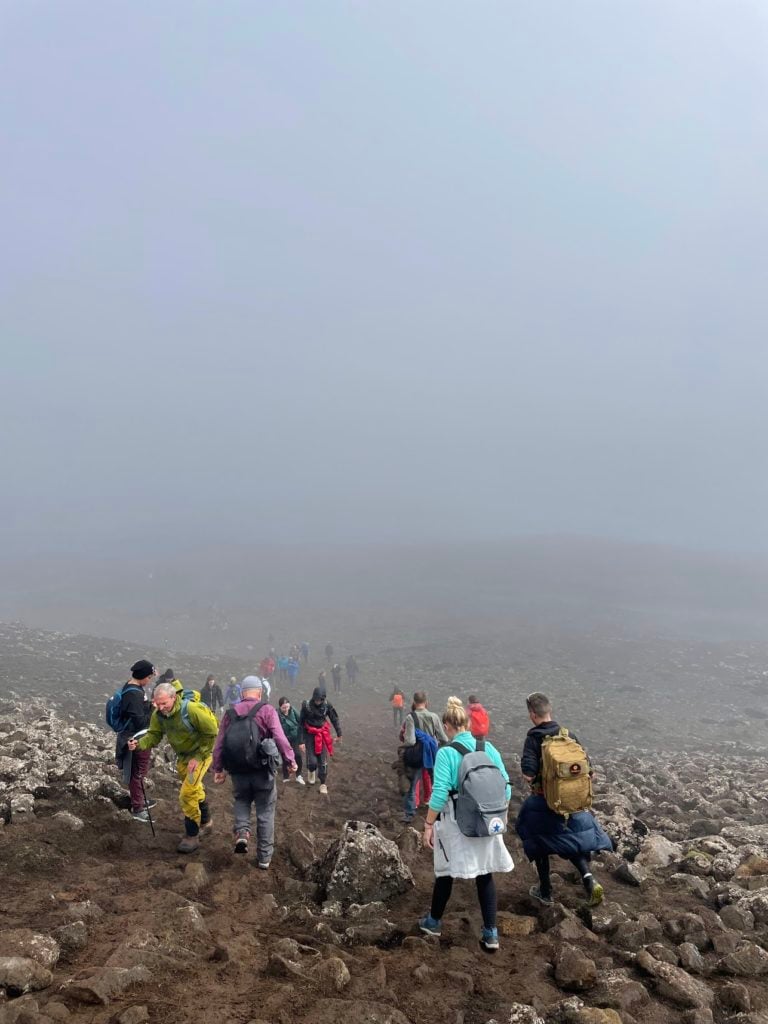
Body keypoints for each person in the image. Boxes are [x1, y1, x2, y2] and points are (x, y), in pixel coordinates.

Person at [418, 697, 513, 952]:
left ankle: (433, 922)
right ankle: (491, 934)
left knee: (446, 873)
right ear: (467, 723)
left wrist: (428, 824)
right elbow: (506, 786)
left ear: (448, 725)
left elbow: (439, 793)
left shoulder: (447, 753)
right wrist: (495, 814)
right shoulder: (488, 748)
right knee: (485, 874)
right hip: (486, 820)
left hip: (456, 823)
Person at [212, 678, 297, 867]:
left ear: (242, 693)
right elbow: (280, 738)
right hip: (262, 772)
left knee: (241, 801)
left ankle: (242, 832)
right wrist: (291, 761)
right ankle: (264, 858)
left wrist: (218, 769)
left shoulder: (229, 714)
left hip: (238, 772)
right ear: (259, 692)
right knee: (265, 812)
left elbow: (219, 744)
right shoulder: (267, 710)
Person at [128, 681, 219, 853]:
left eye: (164, 703)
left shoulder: (191, 710)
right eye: (157, 703)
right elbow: (154, 736)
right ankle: (207, 822)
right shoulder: (159, 715)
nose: (161, 707)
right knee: (194, 789)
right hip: (183, 757)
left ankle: (192, 835)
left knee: (187, 793)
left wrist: (199, 756)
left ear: (174, 697)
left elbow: (212, 731)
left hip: (201, 755)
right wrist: (139, 744)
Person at [516, 794, 611, 907]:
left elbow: (529, 777)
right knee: (571, 839)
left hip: (545, 801)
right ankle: (590, 881)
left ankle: (545, 892)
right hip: (573, 802)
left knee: (537, 840)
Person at [115, 659, 158, 823]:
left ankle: (139, 800)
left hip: (134, 735)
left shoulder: (132, 688)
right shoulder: (134, 694)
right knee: (137, 772)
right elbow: (140, 721)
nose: (150, 680)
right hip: (136, 737)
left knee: (138, 771)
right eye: (149, 677)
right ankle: (138, 808)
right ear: (144, 676)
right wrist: (153, 707)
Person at [521, 692, 588, 790]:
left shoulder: (533, 739)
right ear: (549, 710)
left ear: (533, 715)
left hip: (548, 797)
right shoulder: (568, 735)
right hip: (575, 794)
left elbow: (528, 775)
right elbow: (589, 769)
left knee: (527, 806)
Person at [402, 691, 449, 824]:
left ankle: (409, 814)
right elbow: (443, 738)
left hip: (417, 755)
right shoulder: (434, 716)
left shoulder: (411, 717)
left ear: (414, 702)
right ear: (426, 702)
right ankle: (440, 810)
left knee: (412, 784)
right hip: (432, 753)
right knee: (437, 782)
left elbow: (410, 741)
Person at [299, 686, 342, 795]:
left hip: (322, 734)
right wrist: (301, 741)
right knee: (312, 761)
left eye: (320, 699)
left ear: (323, 699)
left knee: (322, 761)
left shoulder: (327, 705)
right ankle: (311, 770)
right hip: (309, 734)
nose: (318, 701)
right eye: (316, 699)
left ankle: (323, 783)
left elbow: (334, 719)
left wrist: (339, 733)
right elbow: (300, 723)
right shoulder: (306, 705)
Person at [277, 696, 305, 784]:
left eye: (287, 707)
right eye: (283, 708)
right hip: (284, 739)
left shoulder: (293, 711)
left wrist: (302, 739)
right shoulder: (276, 714)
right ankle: (286, 777)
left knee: (297, 755)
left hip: (295, 737)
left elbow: (301, 722)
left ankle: (299, 775)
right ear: (280, 707)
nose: (286, 709)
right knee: (285, 758)